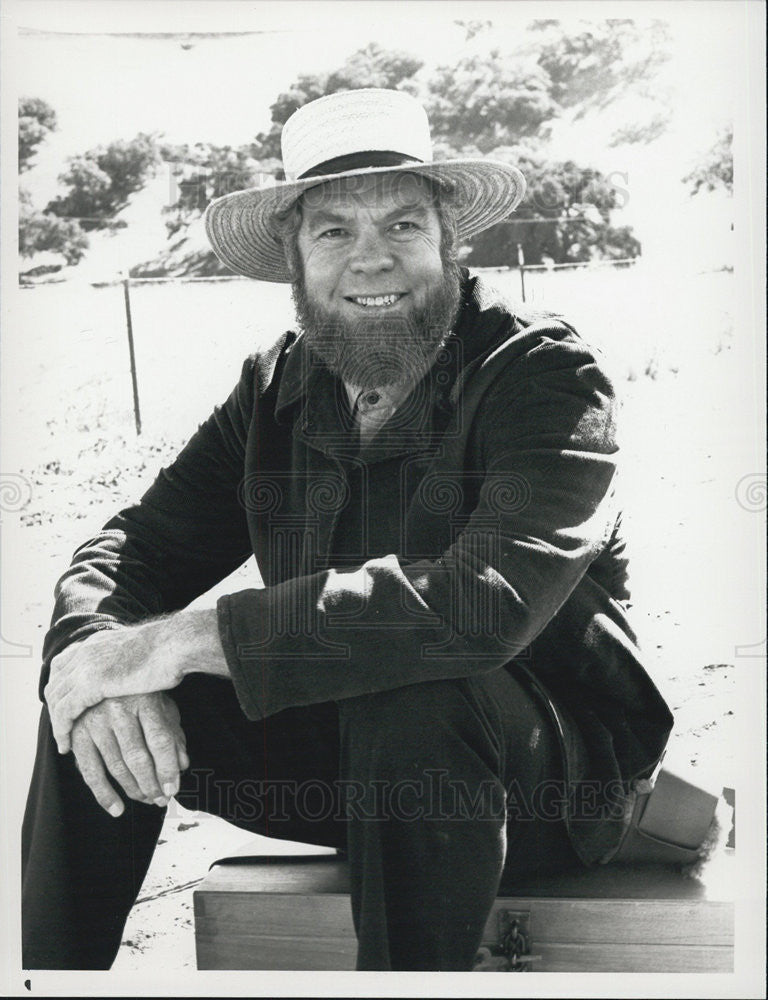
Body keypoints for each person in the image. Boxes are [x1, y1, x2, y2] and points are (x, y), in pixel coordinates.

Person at [22, 88, 673, 971]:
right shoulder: (275, 388)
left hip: (550, 780)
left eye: (403, 226)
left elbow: (479, 607)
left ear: (451, 239)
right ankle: (44, 977)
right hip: (353, 769)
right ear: (294, 256)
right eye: (334, 232)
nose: (373, 260)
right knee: (94, 699)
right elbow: (132, 549)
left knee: (419, 683)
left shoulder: (545, 378)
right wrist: (99, 650)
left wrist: (193, 635)